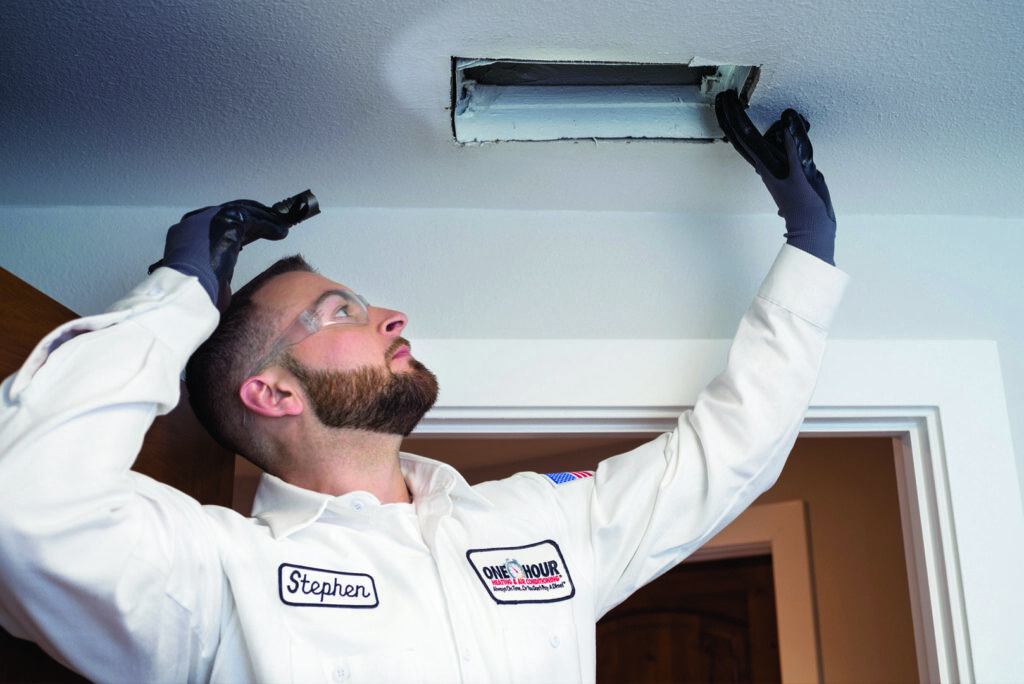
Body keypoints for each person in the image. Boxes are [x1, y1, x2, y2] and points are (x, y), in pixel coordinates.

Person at [0, 91, 848, 683]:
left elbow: (729, 454)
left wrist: (809, 250)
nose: (393, 316)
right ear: (272, 393)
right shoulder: (213, 578)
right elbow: (23, 507)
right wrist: (176, 296)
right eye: (343, 311)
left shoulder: (540, 522)